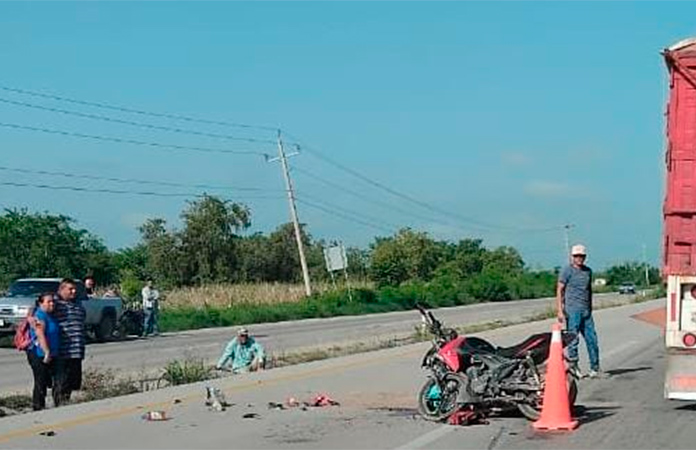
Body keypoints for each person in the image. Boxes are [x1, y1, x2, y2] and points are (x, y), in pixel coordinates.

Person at [556, 244, 603, 379]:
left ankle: (595, 366)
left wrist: (590, 307)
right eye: (576, 256)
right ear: (572, 257)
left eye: (581, 256)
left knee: (591, 339)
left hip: (585, 310)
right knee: (573, 339)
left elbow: (589, 291)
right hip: (572, 309)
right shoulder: (567, 271)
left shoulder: (588, 271)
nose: (579, 259)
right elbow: (559, 289)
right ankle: (574, 365)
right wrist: (560, 310)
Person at [53, 278, 87, 403]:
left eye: (74, 289)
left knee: (73, 382)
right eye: (70, 289)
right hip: (63, 351)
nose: (73, 292)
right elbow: (37, 309)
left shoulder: (78, 304)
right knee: (61, 380)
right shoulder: (55, 303)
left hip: (77, 350)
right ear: (61, 290)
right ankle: (58, 404)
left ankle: (66, 402)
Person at [26, 292, 61, 410]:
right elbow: (40, 335)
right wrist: (47, 352)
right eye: (49, 302)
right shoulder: (39, 316)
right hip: (39, 354)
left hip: (52, 354)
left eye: (53, 301)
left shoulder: (50, 315)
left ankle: (59, 404)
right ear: (41, 303)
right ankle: (38, 407)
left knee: (55, 380)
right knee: (40, 381)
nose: (52, 304)